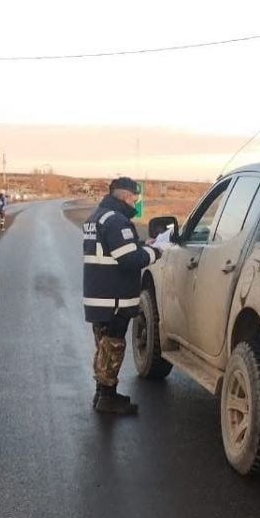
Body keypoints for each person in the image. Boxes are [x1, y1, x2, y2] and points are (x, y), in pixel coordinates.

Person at [83, 175, 161, 415]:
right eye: (135, 198)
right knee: (113, 345)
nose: (136, 203)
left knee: (104, 345)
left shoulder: (97, 217)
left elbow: (118, 250)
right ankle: (107, 398)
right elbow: (129, 260)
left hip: (99, 296)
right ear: (126, 196)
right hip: (114, 298)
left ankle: (102, 393)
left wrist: (141, 245)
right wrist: (156, 251)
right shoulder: (117, 221)